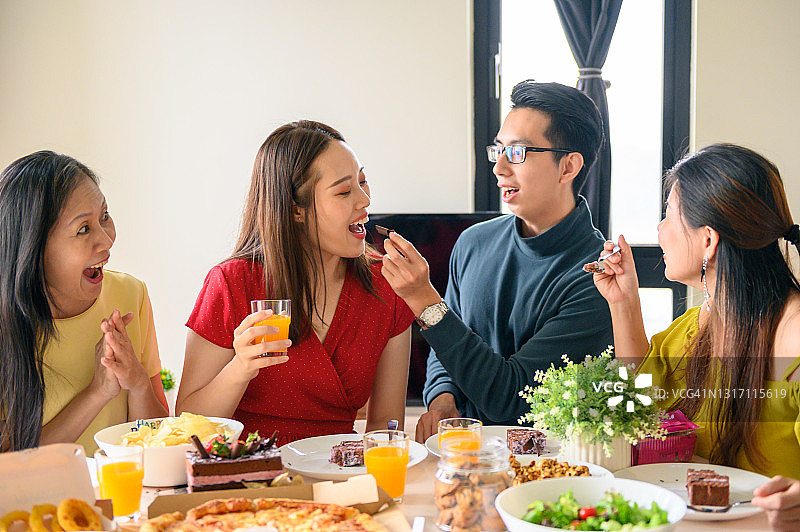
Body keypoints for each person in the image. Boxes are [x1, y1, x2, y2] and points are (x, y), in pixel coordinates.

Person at [380, 80, 613, 442]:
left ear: (568, 167)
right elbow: (449, 345)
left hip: (544, 472)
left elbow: (512, 400)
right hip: (460, 459)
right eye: (499, 150)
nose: (499, 168)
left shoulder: (597, 279)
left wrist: (424, 301)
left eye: (518, 153)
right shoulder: (475, 242)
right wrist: (442, 402)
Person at [176, 120, 414, 445]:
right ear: (295, 210)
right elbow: (187, 426)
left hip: (339, 480)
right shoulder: (232, 283)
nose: (364, 200)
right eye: (344, 191)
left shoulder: (386, 286)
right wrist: (241, 367)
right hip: (249, 480)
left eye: (362, 181)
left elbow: (386, 432)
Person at [593, 143, 800, 479]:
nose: (659, 231)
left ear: (708, 240)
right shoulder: (700, 321)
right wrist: (623, 303)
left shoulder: (794, 338)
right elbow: (634, 405)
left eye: (668, 214)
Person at [0, 151, 168, 453]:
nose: (107, 240)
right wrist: (97, 392)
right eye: (83, 229)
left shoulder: (131, 294)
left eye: (104, 216)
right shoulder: (6, 324)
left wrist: (139, 384)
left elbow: (158, 443)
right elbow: (11, 466)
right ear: (34, 249)